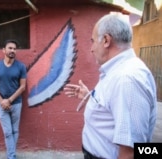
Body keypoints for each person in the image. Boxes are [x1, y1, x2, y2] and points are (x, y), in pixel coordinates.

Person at [64, 13, 157, 159]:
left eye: (93, 41)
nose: (91, 49)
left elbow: (131, 151)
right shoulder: (117, 71)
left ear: (106, 40)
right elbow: (112, 110)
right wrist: (89, 97)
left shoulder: (126, 79)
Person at [0, 39, 27, 159]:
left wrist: (9, 100)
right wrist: (2, 101)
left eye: (15, 49)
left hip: (16, 104)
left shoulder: (21, 66)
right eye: (10, 48)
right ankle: (12, 156)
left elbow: (22, 87)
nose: (12, 50)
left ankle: (11, 155)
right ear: (3, 50)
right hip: (1, 105)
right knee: (7, 132)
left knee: (15, 130)